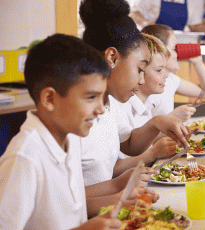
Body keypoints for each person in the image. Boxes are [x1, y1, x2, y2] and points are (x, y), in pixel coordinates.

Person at [0, 34, 156, 229]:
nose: (100, 110)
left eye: (101, 98)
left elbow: (68, 205)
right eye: (91, 97)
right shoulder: (25, 158)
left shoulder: (68, 140)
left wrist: (118, 195)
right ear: (49, 99)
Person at [79, 0, 190, 187]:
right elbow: (70, 199)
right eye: (140, 69)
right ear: (112, 58)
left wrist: (157, 122)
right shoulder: (77, 118)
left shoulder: (112, 102)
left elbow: (128, 144)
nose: (141, 80)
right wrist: (118, 188)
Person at [117, 33, 177, 159]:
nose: (166, 75)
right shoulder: (121, 106)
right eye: (159, 70)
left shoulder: (147, 103)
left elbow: (143, 146)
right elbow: (122, 160)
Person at [142, 24, 205, 121]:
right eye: (174, 49)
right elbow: (142, 133)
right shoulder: (149, 88)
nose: (179, 53)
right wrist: (173, 117)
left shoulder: (170, 80)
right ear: (159, 50)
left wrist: (198, 63)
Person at [130, 0, 205, 36]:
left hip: (176, 46)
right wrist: (147, 23)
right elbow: (134, 14)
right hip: (152, 42)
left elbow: (195, 26)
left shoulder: (192, 2)